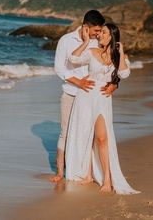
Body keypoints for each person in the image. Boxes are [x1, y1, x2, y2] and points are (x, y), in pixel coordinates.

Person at [65, 23, 140, 194]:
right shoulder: (92, 52)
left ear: (112, 36)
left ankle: (107, 179)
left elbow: (123, 74)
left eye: (104, 33)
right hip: (86, 97)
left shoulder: (119, 56)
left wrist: (120, 53)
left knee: (102, 138)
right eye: (99, 33)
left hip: (103, 100)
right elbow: (73, 59)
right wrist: (85, 41)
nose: (99, 35)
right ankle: (88, 174)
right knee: (87, 135)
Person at [51, 10, 118, 182]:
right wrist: (79, 82)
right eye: (96, 30)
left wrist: (114, 85)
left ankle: (89, 172)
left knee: (89, 134)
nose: (98, 34)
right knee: (66, 133)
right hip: (72, 93)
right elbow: (59, 68)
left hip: (91, 97)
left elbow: (112, 65)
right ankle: (60, 172)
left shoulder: (97, 43)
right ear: (85, 27)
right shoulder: (66, 41)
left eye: (99, 31)